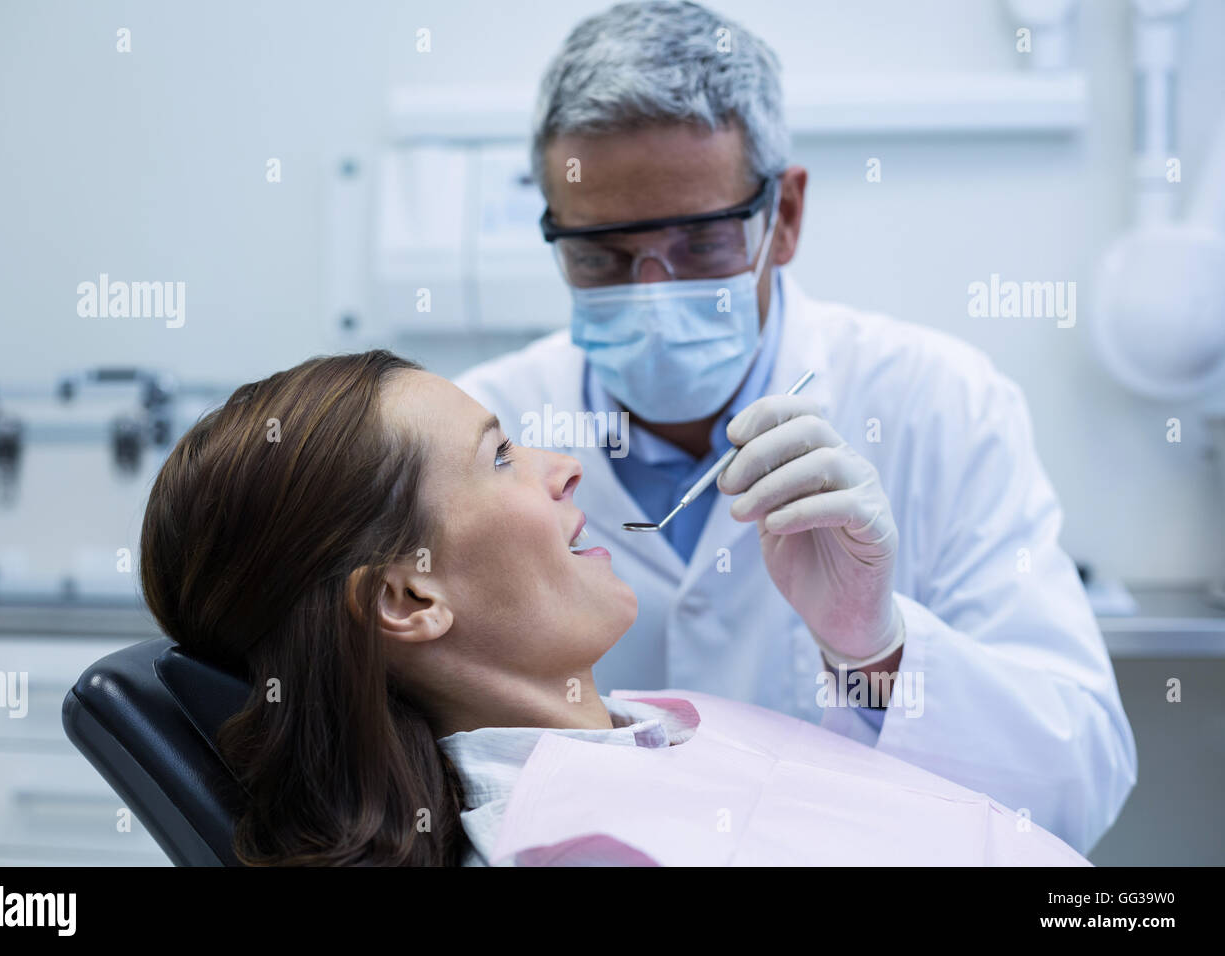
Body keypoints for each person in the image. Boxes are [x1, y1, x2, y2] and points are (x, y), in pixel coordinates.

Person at [453, 0, 1136, 854]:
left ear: (788, 217)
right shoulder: (482, 433)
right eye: (603, 256)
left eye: (701, 244)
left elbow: (1079, 782)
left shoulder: (940, 403)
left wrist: (877, 650)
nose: (656, 292)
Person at [138, 351, 1086, 866]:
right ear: (408, 595)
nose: (567, 467)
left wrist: (870, 645)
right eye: (502, 456)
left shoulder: (666, 724)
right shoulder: (578, 847)